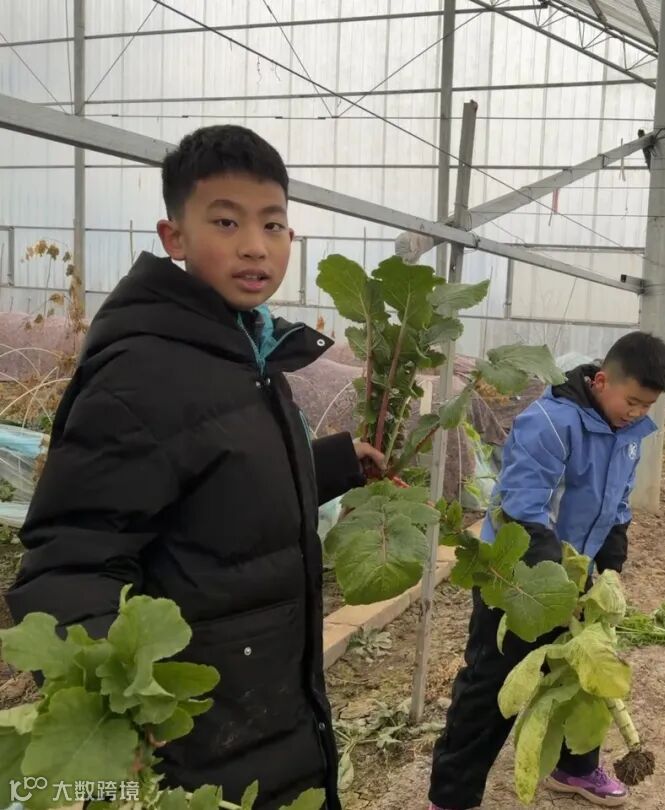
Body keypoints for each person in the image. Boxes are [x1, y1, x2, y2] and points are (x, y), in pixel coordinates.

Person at [5, 125, 384, 809]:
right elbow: (69, 564)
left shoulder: (247, 351)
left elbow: (217, 474)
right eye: (226, 221)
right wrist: (126, 714)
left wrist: (329, 463)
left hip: (269, 714)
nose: (255, 245)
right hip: (196, 748)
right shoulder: (143, 372)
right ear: (174, 236)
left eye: (273, 224)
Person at [428, 332, 665, 810]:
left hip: (577, 575)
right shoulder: (549, 423)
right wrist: (559, 586)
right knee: (491, 684)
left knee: (582, 676)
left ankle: (574, 770)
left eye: (648, 406)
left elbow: (617, 507)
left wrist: (608, 573)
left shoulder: (629, 435)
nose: (638, 413)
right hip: (516, 576)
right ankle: (451, 796)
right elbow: (523, 510)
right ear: (601, 381)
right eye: (632, 402)